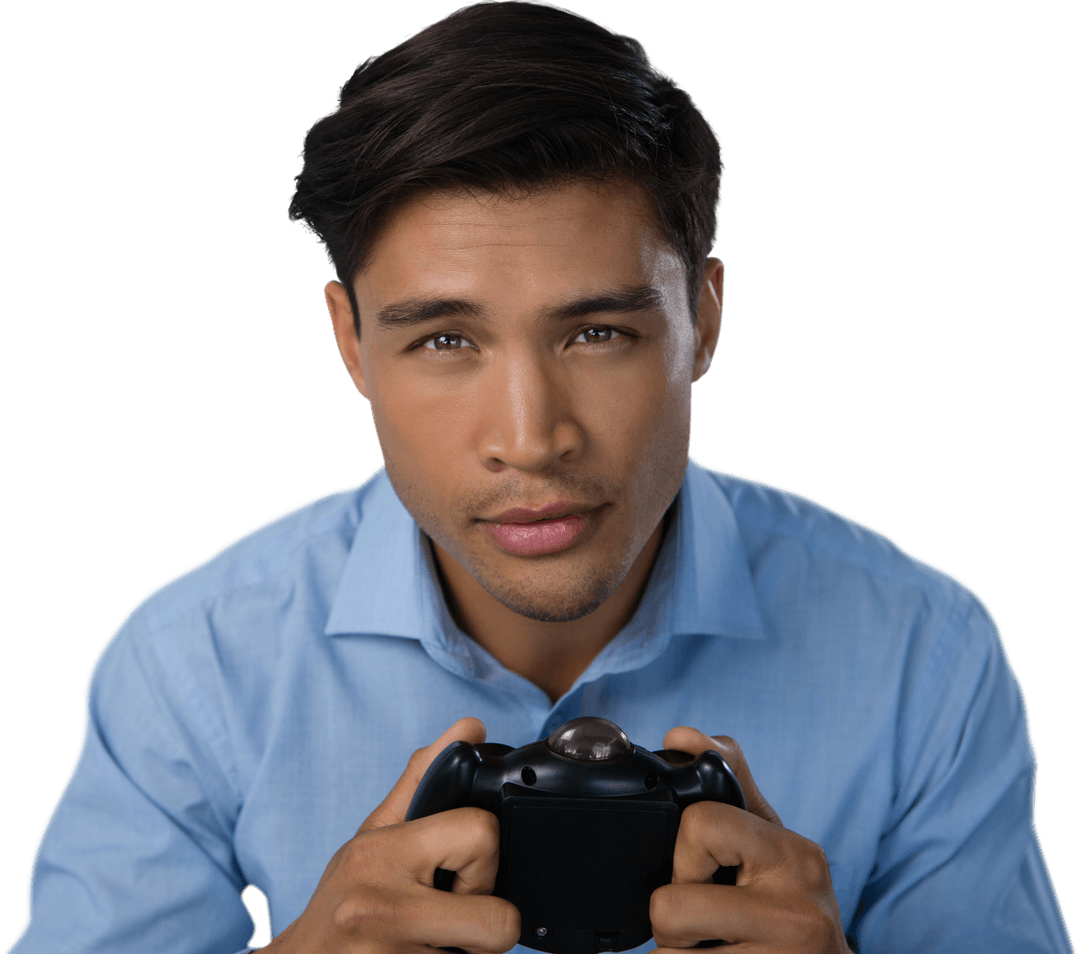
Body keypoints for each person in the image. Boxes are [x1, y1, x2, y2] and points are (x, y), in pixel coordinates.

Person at [6, 2, 1075, 953]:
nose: (531, 438)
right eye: (442, 341)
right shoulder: (193, 662)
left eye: (597, 331)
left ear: (703, 318)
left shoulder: (920, 650)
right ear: (348, 342)